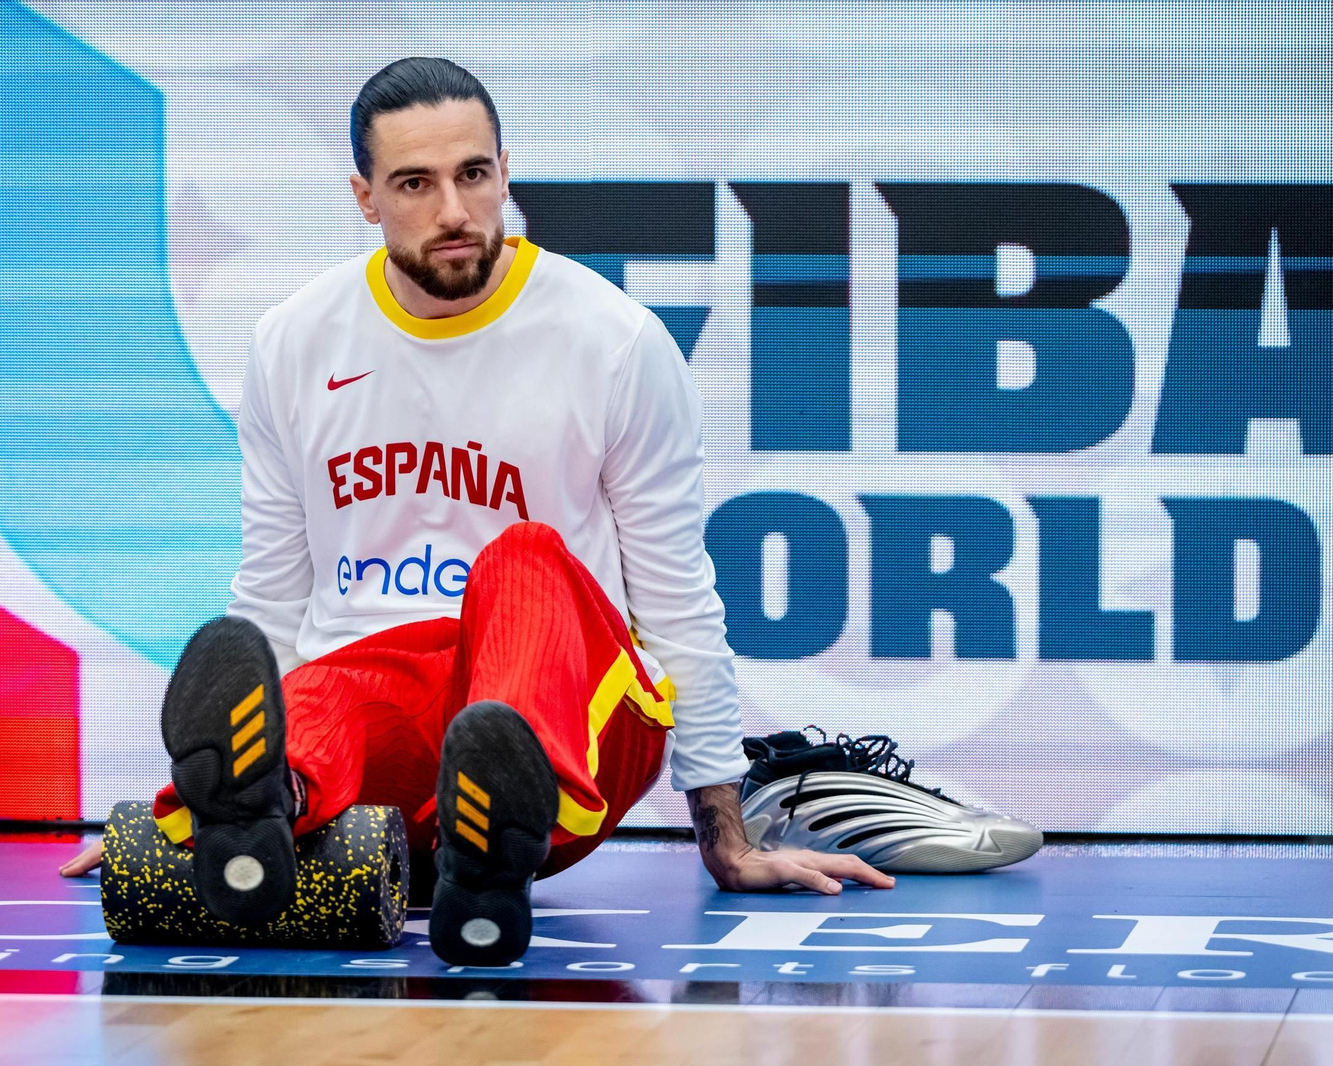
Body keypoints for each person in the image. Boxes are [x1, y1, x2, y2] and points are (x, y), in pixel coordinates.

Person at [60, 57, 893, 964]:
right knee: (334, 683)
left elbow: (677, 598)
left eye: (473, 175)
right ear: (365, 198)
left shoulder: (613, 341)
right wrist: (177, 824)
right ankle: (260, 813)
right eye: (415, 183)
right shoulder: (294, 340)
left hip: (575, 736)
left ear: (506, 174)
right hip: (390, 755)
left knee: (523, 560)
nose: (453, 211)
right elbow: (272, 589)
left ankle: (497, 818)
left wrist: (724, 838)